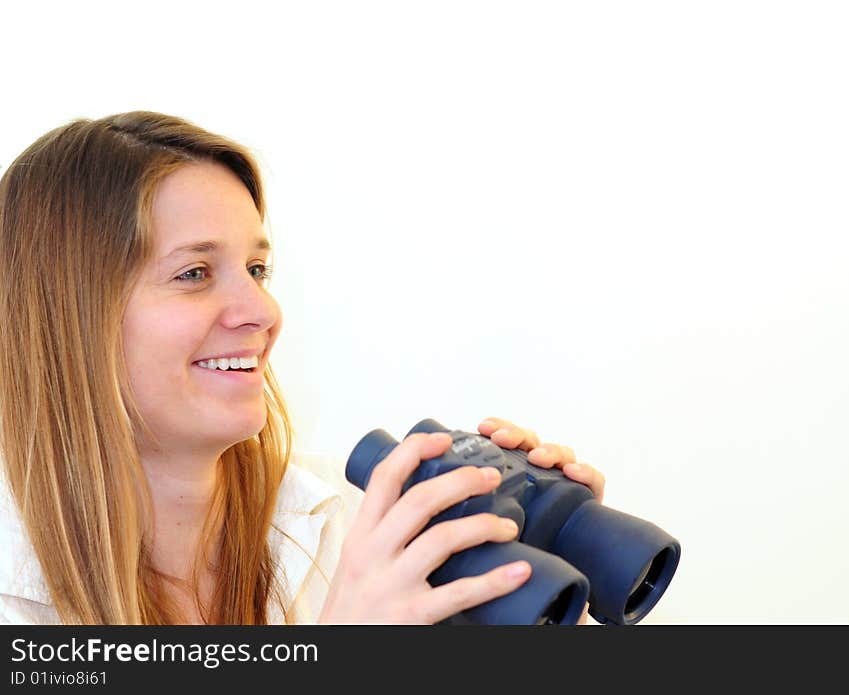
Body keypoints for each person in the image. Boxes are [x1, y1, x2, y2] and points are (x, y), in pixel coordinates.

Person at [0, 112, 606, 625]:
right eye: (194, 274)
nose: (261, 312)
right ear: (68, 318)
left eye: (257, 271)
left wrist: (536, 592)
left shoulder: (356, 523)